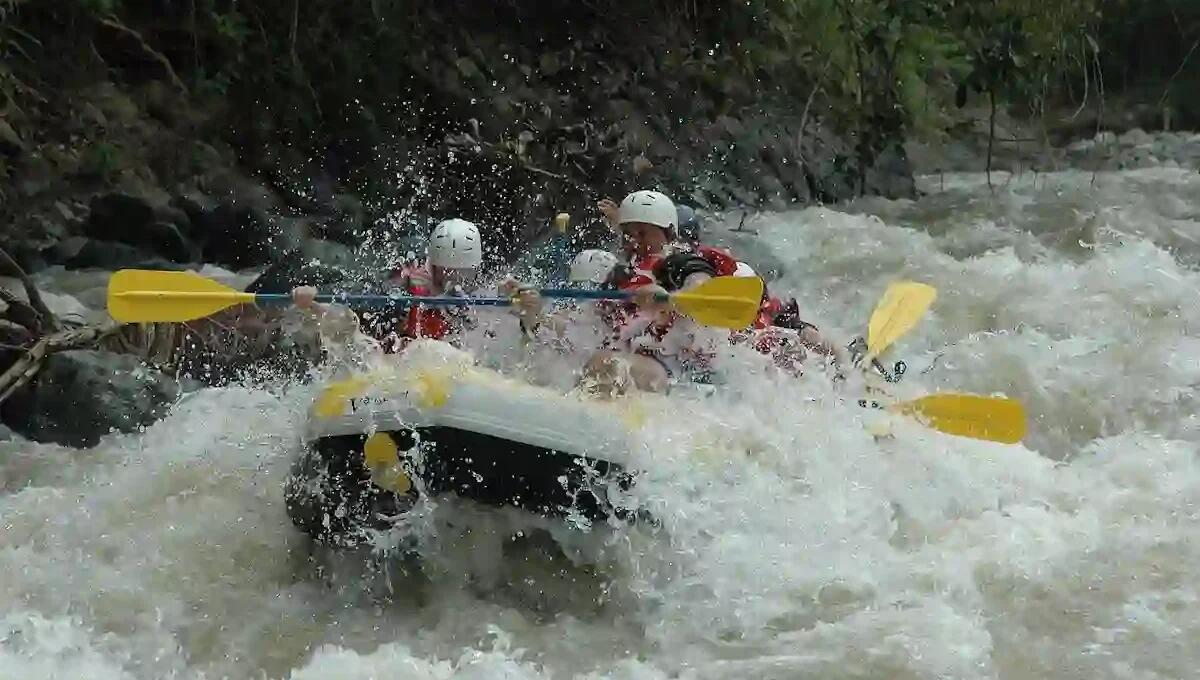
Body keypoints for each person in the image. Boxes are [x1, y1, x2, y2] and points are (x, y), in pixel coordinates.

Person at [512, 190, 739, 397]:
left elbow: (700, 287)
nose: (634, 242)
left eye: (643, 233)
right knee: (566, 357)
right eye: (628, 234)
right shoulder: (620, 277)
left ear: (668, 234)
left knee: (609, 366)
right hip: (635, 361)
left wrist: (667, 299)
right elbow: (583, 327)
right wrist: (533, 315)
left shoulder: (681, 263)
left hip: (682, 370)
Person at [291, 218, 487, 353]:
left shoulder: (458, 299)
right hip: (382, 358)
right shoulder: (400, 287)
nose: (456, 276)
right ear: (434, 262)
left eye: (464, 271)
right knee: (347, 324)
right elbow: (353, 303)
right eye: (449, 269)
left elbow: (478, 334)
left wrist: (518, 305)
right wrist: (314, 299)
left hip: (425, 366)